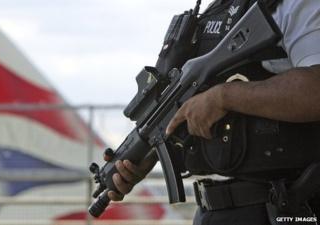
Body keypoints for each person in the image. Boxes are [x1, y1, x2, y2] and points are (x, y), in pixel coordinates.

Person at [104, 0, 320, 224]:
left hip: (284, 206)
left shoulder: (292, 5)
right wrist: (149, 155)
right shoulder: (214, 14)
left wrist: (224, 97)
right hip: (212, 211)